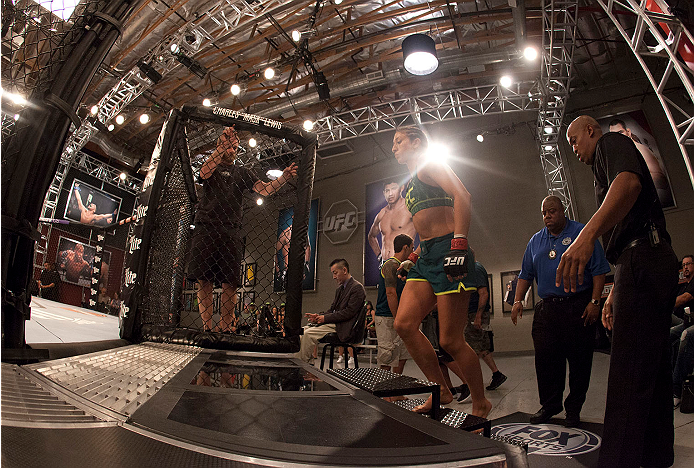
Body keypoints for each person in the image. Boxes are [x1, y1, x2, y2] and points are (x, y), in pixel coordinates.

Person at [563, 115, 678, 467]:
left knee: (627, 375)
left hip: (643, 258)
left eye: (574, 139)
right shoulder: (603, 164)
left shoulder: (611, 144)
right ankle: (656, 457)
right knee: (651, 371)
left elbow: (628, 185)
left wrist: (586, 236)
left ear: (591, 130)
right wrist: (615, 289)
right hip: (645, 259)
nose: (574, 148)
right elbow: (629, 235)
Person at [390, 126, 491, 418]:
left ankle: (480, 403)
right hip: (428, 256)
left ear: (416, 142)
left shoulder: (430, 165)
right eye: (393, 144)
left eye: (399, 141)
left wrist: (459, 244)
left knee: (449, 341)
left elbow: (463, 196)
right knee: (404, 324)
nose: (394, 148)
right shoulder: (409, 184)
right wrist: (414, 256)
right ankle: (441, 392)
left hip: (451, 251)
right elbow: (425, 228)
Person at [511, 195, 610, 427]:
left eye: (552, 211)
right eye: (544, 213)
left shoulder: (582, 233)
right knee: (546, 360)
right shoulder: (536, 241)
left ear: (563, 211)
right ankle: (550, 405)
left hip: (578, 305)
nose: (547, 216)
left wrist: (595, 302)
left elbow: (599, 270)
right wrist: (517, 301)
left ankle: (573, 409)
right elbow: (525, 274)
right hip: (547, 309)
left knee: (579, 362)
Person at [187, 126, 297, 332]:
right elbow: (204, 172)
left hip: (231, 229)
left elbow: (264, 189)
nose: (232, 149)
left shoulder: (243, 172)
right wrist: (221, 148)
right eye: (228, 146)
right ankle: (208, 328)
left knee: (230, 282)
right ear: (220, 145)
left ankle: (226, 328)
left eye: (235, 147)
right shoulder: (211, 165)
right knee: (204, 280)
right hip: (206, 227)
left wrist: (283, 178)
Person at [298, 258, 366, 363]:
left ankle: (301, 366)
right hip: (337, 323)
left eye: (335, 273)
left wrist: (325, 318)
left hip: (345, 327)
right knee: (302, 331)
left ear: (344, 270)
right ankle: (307, 363)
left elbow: (348, 313)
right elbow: (332, 310)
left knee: (308, 334)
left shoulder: (357, 288)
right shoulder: (340, 289)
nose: (334, 277)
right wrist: (318, 316)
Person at [608, 119, 673, 207]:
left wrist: (635, 183)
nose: (618, 138)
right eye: (614, 135)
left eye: (620, 133)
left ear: (628, 132)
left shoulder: (640, 150)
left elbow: (661, 179)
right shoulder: (623, 153)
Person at [465, 259, 507, 391]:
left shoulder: (476, 269)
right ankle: (496, 374)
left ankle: (472, 383)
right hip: (473, 313)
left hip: (476, 314)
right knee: (482, 348)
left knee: (472, 349)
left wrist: (478, 316)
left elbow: (483, 293)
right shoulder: (474, 269)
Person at [375, 233, 413, 374]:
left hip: (400, 317)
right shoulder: (390, 265)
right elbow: (391, 293)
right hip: (387, 317)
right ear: (405, 247)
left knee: (402, 356)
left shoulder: (404, 268)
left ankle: (396, 391)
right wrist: (397, 317)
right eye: (411, 248)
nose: (412, 251)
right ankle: (386, 395)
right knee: (387, 357)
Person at [368, 179, 417, 263]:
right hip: (385, 263)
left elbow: (426, 235)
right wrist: (380, 257)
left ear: (401, 188)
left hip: (405, 262)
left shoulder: (409, 208)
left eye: (394, 189)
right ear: (384, 193)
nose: (390, 194)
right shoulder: (381, 214)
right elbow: (371, 236)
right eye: (387, 190)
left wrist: (413, 257)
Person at [275, 217, 311, 289]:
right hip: (288, 270)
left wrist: (306, 263)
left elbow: (308, 247)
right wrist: (278, 271)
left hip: (300, 268)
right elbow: (274, 252)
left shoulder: (303, 233)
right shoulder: (285, 234)